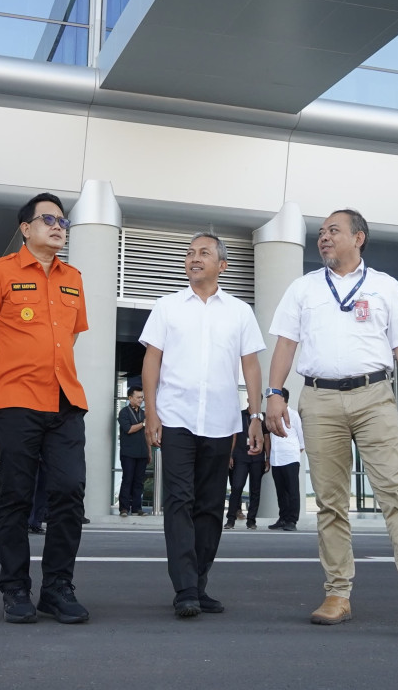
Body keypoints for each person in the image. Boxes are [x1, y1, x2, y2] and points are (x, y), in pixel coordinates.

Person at [264, 208, 398, 632]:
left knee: (397, 493)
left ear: (359, 238)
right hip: (318, 399)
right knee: (331, 502)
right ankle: (337, 594)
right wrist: (274, 394)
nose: (324, 238)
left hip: (374, 397)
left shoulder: (385, 287)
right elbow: (285, 343)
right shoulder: (304, 288)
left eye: (334, 231)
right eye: (321, 233)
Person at [0, 192, 90, 625]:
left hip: (65, 401)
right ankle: (15, 588)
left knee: (70, 491)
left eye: (63, 221)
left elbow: (69, 337)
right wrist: (0, 376)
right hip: (16, 402)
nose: (58, 226)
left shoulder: (73, 277)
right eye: (48, 219)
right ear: (25, 228)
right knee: (16, 497)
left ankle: (57, 588)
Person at [141, 232, 265, 618]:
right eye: (190, 253)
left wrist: (254, 417)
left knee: (211, 506)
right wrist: (151, 413)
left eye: (204, 253)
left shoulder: (240, 312)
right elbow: (152, 362)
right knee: (179, 500)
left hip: (221, 422)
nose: (194, 259)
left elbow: (251, 366)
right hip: (176, 418)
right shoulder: (166, 307)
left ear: (222, 265)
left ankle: (199, 582)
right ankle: (185, 588)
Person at [225, 409, 267, 530]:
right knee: (237, 487)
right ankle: (230, 519)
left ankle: (251, 520)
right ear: (249, 399)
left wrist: (268, 457)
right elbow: (234, 435)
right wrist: (231, 455)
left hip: (257, 457)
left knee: (255, 490)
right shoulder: (240, 415)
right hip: (241, 455)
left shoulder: (262, 418)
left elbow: (266, 437)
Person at [268, 401, 304, 531]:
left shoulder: (293, 415)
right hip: (276, 459)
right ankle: (282, 518)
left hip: (290, 458)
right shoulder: (272, 416)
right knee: (280, 491)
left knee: (292, 490)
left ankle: (292, 520)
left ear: (284, 400)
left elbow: (301, 436)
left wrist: (297, 450)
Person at [117, 387, 151, 517]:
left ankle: (137, 508)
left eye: (142, 397)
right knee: (128, 480)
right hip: (128, 453)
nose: (140, 400)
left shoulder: (143, 414)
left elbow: (147, 435)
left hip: (142, 453)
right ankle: (124, 508)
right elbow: (128, 429)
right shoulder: (124, 413)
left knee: (139, 481)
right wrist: (143, 424)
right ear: (130, 398)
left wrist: (149, 452)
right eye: (138, 397)